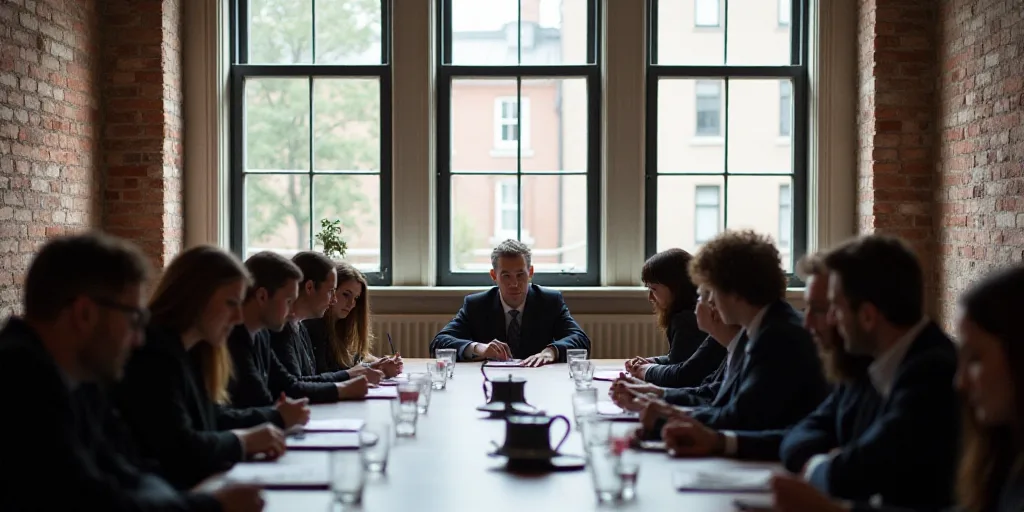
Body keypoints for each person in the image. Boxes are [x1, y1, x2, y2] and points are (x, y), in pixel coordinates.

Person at [0, 233, 264, 511]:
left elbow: (132, 469)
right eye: (133, 318)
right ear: (85, 314)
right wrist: (210, 505)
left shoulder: (78, 378)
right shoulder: (19, 381)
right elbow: (93, 503)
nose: (139, 339)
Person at [767, 264, 1024, 512]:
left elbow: (865, 468)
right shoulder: (1001, 452)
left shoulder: (931, 370)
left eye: (976, 359)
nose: (961, 382)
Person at [658, 253, 875, 463]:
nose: (807, 323)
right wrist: (718, 440)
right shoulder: (761, 330)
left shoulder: (780, 335)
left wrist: (665, 418)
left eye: (823, 309)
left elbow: (745, 417)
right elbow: (800, 434)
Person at [114, 246, 295, 491]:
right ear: (196, 297)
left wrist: (265, 425)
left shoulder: (196, 350)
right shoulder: (153, 353)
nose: (239, 318)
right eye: (231, 303)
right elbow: (179, 447)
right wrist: (243, 441)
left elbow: (212, 417)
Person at [636, 229, 828, 434]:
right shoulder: (758, 327)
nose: (709, 302)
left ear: (734, 291)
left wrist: (663, 420)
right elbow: (716, 392)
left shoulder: (777, 336)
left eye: (711, 291)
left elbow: (741, 416)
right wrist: (658, 395)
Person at [228, 252, 370, 409]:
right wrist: (345, 384)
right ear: (262, 297)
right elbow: (284, 391)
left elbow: (287, 385)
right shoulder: (241, 337)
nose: (292, 312)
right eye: (289, 301)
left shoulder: (262, 335)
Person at [429, 239, 591, 367]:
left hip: (539, 380)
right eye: (506, 275)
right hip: (489, 382)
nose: (514, 283)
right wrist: (480, 349)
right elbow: (439, 343)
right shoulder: (477, 305)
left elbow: (581, 340)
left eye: (520, 275)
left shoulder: (549, 301)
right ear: (494, 275)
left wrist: (551, 352)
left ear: (531, 273)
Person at [609, 285, 741, 410]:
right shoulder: (731, 343)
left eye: (700, 296)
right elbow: (708, 393)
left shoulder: (686, 320)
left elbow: (687, 375)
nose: (696, 304)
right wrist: (654, 392)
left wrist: (657, 395)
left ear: (715, 308)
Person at [270, 251, 381, 387]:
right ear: (310, 287)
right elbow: (293, 387)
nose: (333, 300)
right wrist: (347, 380)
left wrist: (357, 373)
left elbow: (310, 379)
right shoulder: (283, 329)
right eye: (330, 291)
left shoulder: (299, 327)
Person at [622, 248, 725, 388]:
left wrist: (647, 370)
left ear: (676, 287)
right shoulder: (686, 315)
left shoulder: (686, 319)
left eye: (653, 289)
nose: (650, 297)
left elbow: (682, 375)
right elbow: (682, 360)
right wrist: (653, 362)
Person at [303, 261, 402, 378]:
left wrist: (381, 363)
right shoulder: (315, 327)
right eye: (346, 294)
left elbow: (354, 360)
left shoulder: (342, 325)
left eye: (356, 298)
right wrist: (373, 368)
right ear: (331, 291)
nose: (352, 304)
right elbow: (327, 374)